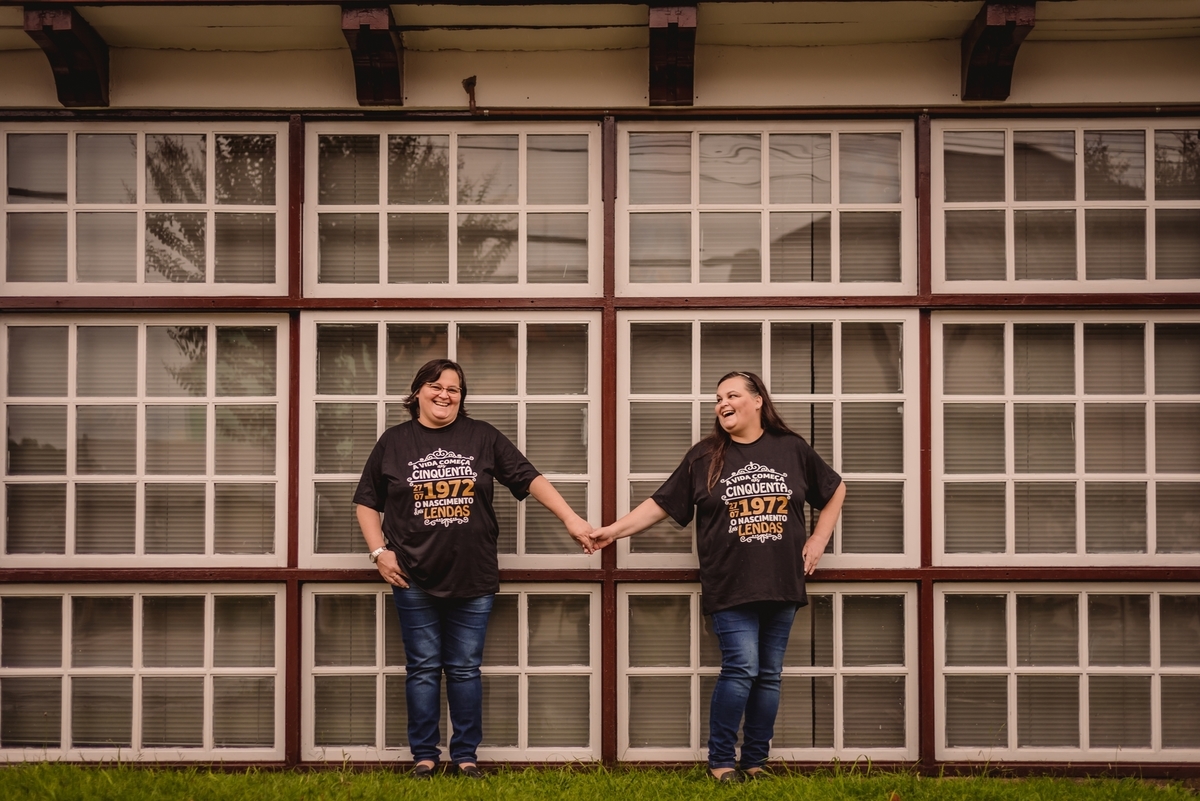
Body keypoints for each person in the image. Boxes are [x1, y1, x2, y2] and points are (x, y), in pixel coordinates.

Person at [593, 371, 845, 781]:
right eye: (717, 398)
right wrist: (612, 532)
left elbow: (835, 489)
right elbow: (662, 504)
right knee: (742, 668)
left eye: (731, 395)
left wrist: (819, 537)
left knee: (769, 675)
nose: (722, 403)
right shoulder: (705, 457)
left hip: (783, 581)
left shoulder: (792, 448)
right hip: (729, 583)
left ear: (758, 400)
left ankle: (756, 762)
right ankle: (722, 762)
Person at [355, 358, 594, 779]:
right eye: (436, 386)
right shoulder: (394, 442)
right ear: (417, 392)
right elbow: (366, 502)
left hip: (474, 575)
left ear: (461, 397)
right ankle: (425, 757)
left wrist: (572, 519)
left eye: (454, 389)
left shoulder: (482, 436)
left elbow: (530, 478)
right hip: (412, 575)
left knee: (464, 669)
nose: (444, 394)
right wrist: (379, 552)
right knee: (423, 669)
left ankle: (465, 757)